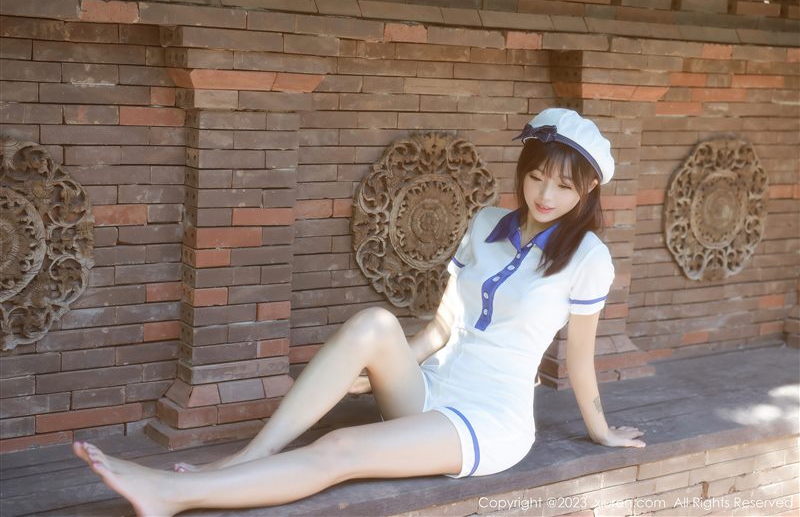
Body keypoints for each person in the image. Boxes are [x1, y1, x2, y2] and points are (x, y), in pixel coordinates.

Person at [73, 108, 645, 516]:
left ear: (590, 187)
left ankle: (171, 495)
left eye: (563, 186)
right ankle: (247, 457)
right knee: (375, 323)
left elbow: (579, 362)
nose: (544, 194)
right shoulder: (485, 224)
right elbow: (442, 327)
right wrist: (377, 369)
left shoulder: (588, 258)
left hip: (486, 420)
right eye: (536, 176)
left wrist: (602, 430)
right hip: (428, 389)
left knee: (341, 448)